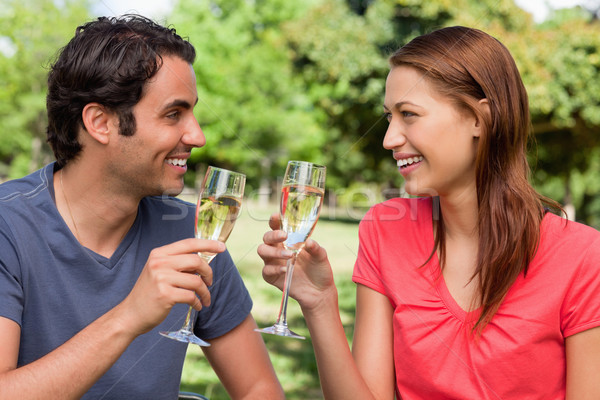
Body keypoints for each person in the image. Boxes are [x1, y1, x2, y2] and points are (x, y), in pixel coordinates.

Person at [258, 26, 600, 399]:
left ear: (478, 119)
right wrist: (319, 303)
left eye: (409, 114)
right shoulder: (385, 230)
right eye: (389, 116)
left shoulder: (583, 258)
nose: (390, 139)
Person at [0, 15, 284, 399]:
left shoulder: (189, 232)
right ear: (100, 122)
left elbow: (258, 387)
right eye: (173, 114)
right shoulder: (9, 227)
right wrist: (129, 317)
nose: (197, 136)